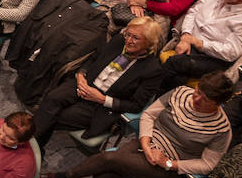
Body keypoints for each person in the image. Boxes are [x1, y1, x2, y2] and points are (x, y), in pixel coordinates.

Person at [41, 73, 235, 178]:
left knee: (109, 159)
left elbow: (208, 164)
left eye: (205, 99)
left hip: (170, 168)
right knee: (107, 172)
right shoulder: (181, 93)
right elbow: (149, 115)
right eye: (198, 92)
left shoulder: (221, 129)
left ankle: (64, 177)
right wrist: (145, 142)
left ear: (218, 104)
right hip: (146, 143)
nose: (196, 100)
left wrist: (169, 163)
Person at [34, 16, 165, 145]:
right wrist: (80, 75)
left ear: (148, 43)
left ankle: (29, 144)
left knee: (57, 116)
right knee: (52, 98)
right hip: (85, 84)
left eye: (135, 38)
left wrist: (102, 99)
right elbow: (93, 59)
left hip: (101, 105)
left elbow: (136, 105)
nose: (128, 41)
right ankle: (30, 146)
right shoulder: (119, 41)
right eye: (128, 34)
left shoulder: (152, 70)